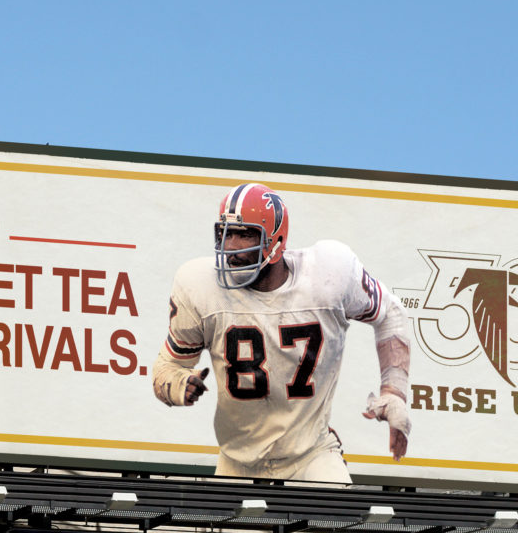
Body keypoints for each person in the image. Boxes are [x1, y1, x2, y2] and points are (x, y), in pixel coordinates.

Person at [151, 182, 411, 483]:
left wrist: (394, 392)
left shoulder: (329, 274)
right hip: (236, 461)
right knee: (230, 528)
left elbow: (391, 313)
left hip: (311, 455)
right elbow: (166, 368)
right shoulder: (199, 285)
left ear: (276, 240)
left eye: (245, 233)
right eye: (226, 233)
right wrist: (177, 384)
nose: (232, 247)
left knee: (339, 520)